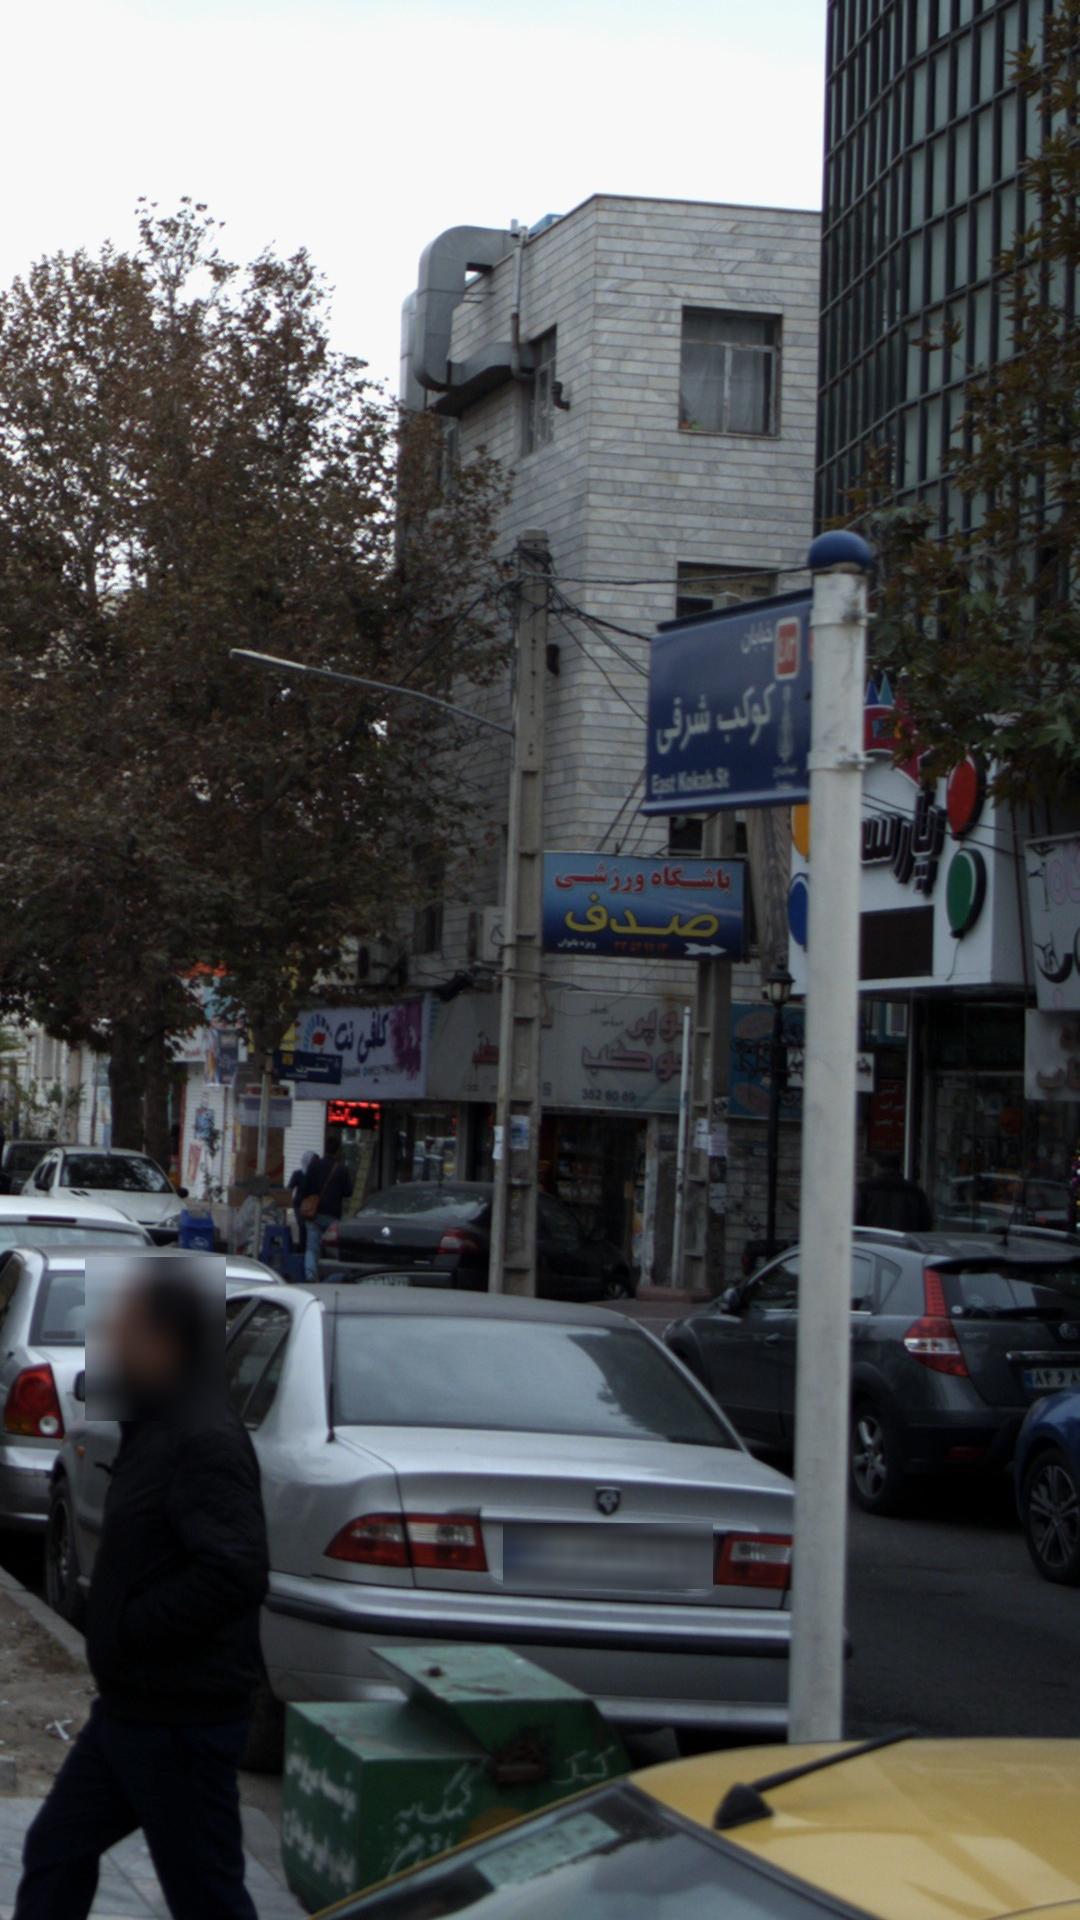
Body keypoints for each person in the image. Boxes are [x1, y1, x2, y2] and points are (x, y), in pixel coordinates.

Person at [14, 1264, 269, 1920]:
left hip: (182, 1720)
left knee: (205, 1896)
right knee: (56, 1850)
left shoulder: (203, 1438)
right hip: (135, 1710)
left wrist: (132, 1629)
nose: (108, 1348)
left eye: (122, 1332)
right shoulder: (155, 1424)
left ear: (165, 1342)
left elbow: (234, 1571)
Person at [301, 1130, 354, 1281]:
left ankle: (310, 1274)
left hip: (314, 1214)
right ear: (338, 1151)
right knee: (333, 1248)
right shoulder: (342, 1169)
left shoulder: (314, 1165)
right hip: (333, 1215)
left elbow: (305, 1188)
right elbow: (348, 1192)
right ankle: (333, 1276)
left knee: (312, 1248)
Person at [855, 1152, 933, 1232]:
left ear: (878, 1167)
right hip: (904, 1238)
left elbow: (855, 1217)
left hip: (871, 1237)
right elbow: (925, 1224)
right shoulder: (915, 1191)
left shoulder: (864, 1189)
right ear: (898, 1168)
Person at [288, 1148, 316, 1256]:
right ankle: (302, 1249)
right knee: (303, 1226)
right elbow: (289, 1188)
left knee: (310, 1227)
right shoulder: (298, 1174)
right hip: (299, 1205)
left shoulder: (316, 1174)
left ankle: (306, 1248)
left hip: (312, 1205)